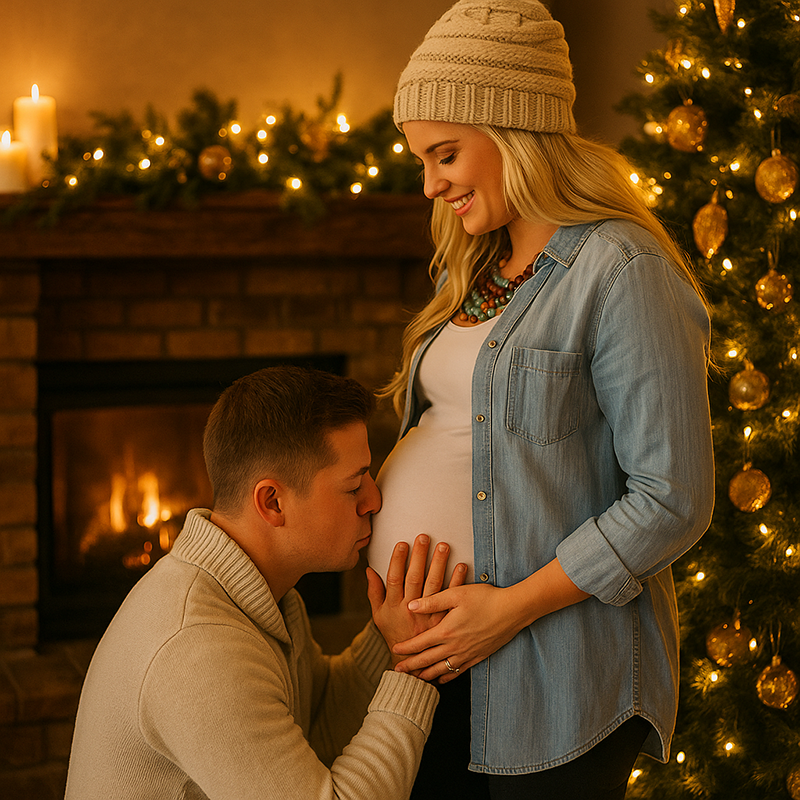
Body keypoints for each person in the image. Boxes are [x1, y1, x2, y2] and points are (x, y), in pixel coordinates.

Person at [366, 1, 715, 798]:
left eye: (445, 153)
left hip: (552, 679)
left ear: (511, 127)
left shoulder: (622, 270)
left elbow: (673, 499)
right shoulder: (483, 269)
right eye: (421, 159)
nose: (430, 184)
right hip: (435, 664)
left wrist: (509, 608)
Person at [65, 365, 465, 800]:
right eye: (353, 487)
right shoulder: (199, 647)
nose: (374, 499)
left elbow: (316, 722)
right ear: (272, 502)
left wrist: (396, 637)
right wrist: (413, 673)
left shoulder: (261, 591)